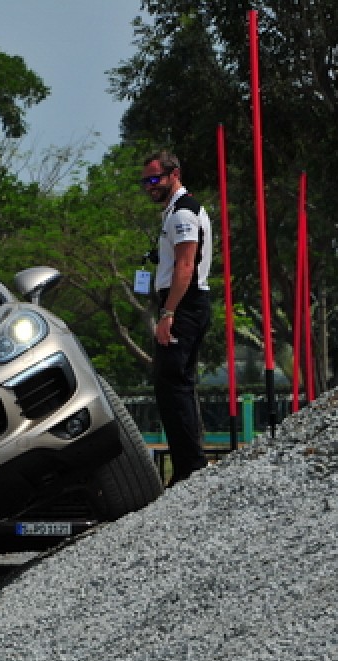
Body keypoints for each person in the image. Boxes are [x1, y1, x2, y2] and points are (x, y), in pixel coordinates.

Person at [141, 150, 213, 485]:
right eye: (145, 181)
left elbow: (186, 266)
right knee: (172, 382)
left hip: (185, 304)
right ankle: (187, 464)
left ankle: (191, 466)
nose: (150, 186)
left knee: (173, 382)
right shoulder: (175, 212)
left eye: (155, 179)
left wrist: (168, 312)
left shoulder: (184, 213)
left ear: (175, 174)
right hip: (182, 303)